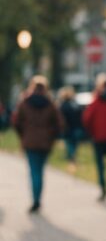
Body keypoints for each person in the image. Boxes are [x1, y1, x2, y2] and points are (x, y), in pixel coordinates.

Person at [12, 76, 64, 212]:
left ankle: (35, 200)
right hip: (45, 142)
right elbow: (59, 124)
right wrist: (52, 137)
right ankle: (38, 199)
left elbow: (16, 122)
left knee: (33, 171)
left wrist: (23, 135)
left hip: (29, 141)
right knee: (40, 171)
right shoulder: (51, 104)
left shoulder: (24, 102)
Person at [57, 86, 82, 167]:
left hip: (67, 128)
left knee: (69, 143)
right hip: (76, 127)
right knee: (74, 143)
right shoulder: (75, 104)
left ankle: (71, 157)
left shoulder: (62, 105)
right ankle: (72, 156)